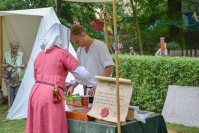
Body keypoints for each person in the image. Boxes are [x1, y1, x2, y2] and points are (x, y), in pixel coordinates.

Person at [26, 23, 97, 133]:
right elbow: (83, 74)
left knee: (38, 125)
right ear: (62, 38)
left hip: (35, 93)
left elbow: (37, 77)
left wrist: (60, 83)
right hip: (52, 94)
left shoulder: (40, 55)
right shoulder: (63, 54)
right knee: (53, 125)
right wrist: (95, 83)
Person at [68, 24, 114, 96]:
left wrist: (99, 84)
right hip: (89, 91)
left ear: (83, 35)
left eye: (77, 41)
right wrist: (73, 86)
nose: (77, 44)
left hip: (103, 90)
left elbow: (109, 67)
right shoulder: (80, 51)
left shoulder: (100, 46)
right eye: (75, 42)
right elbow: (81, 74)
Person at [2, 41, 26, 107]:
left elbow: (24, 63)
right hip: (9, 78)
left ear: (18, 47)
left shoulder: (21, 54)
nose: (15, 49)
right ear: (10, 48)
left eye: (16, 48)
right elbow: (3, 64)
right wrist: (5, 65)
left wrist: (23, 65)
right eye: (13, 48)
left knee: (18, 94)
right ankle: (11, 108)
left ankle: (17, 108)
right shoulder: (6, 54)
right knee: (10, 94)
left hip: (18, 77)